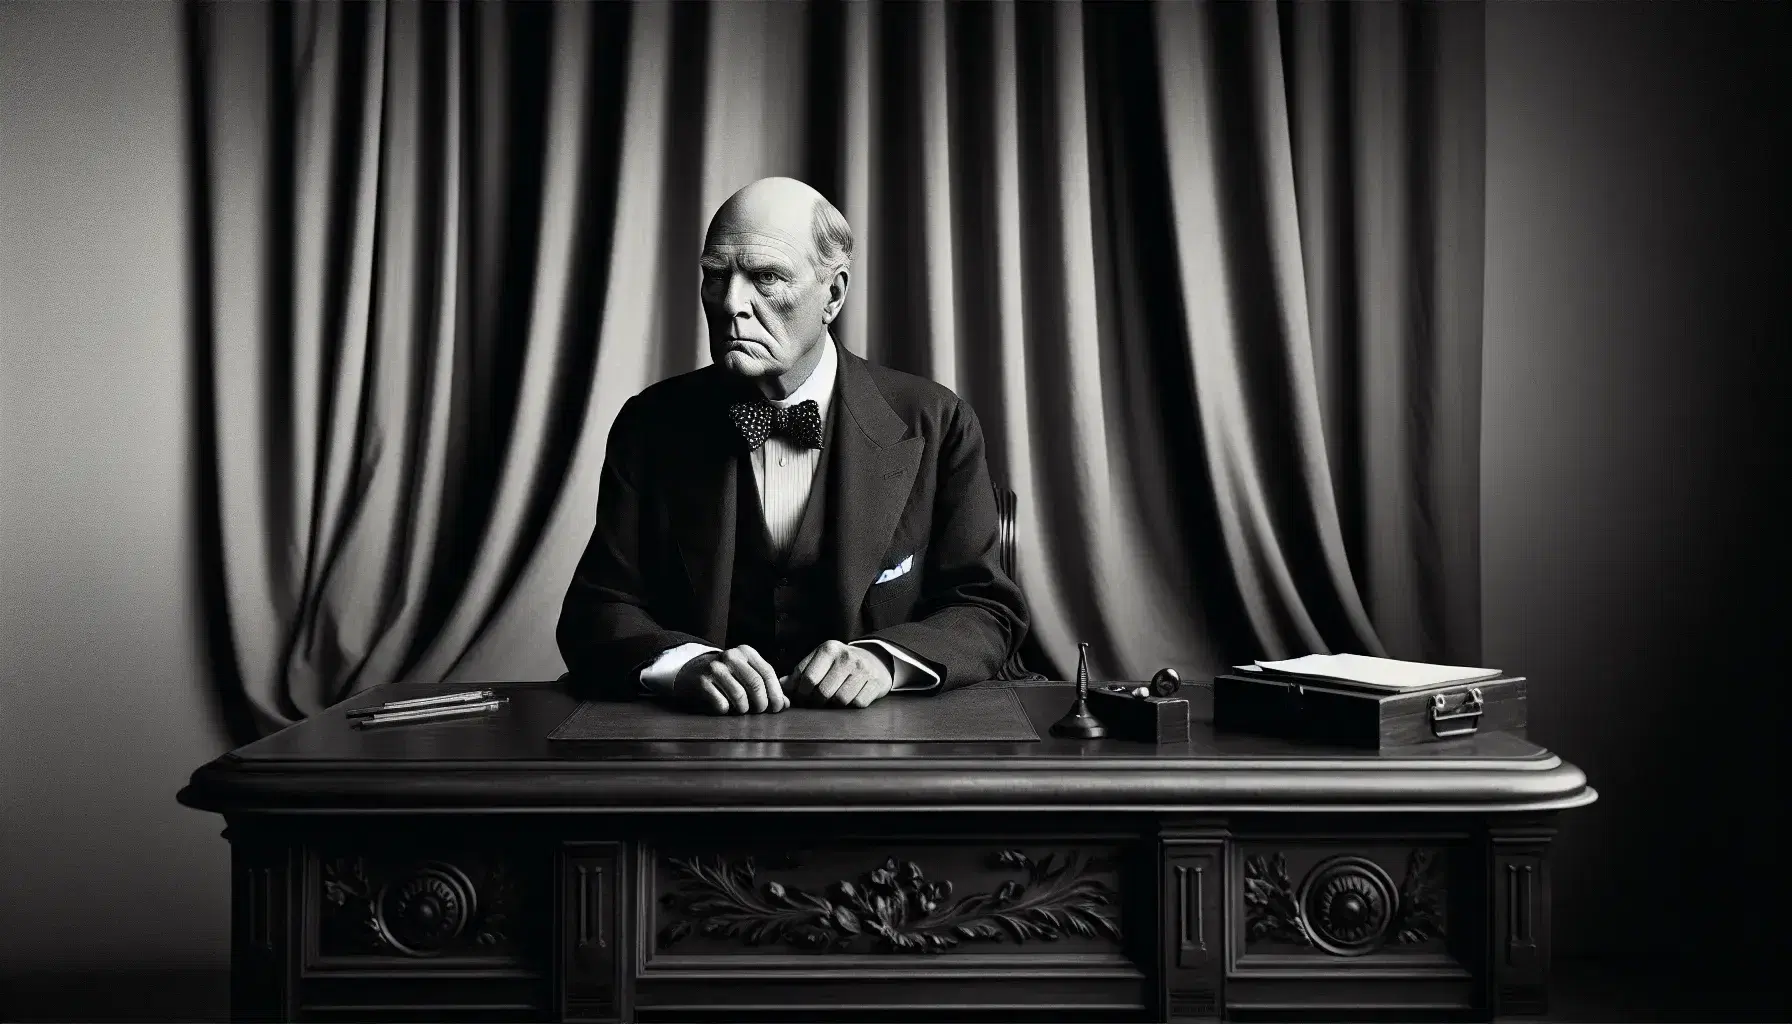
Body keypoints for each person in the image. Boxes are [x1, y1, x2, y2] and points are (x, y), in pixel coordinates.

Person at [557, 176, 1027, 714]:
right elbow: (596, 610)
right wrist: (682, 663)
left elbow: (986, 608)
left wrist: (884, 660)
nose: (731, 302)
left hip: (884, 746)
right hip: (699, 746)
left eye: (765, 277)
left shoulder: (936, 421)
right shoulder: (649, 424)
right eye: (715, 276)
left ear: (834, 294)